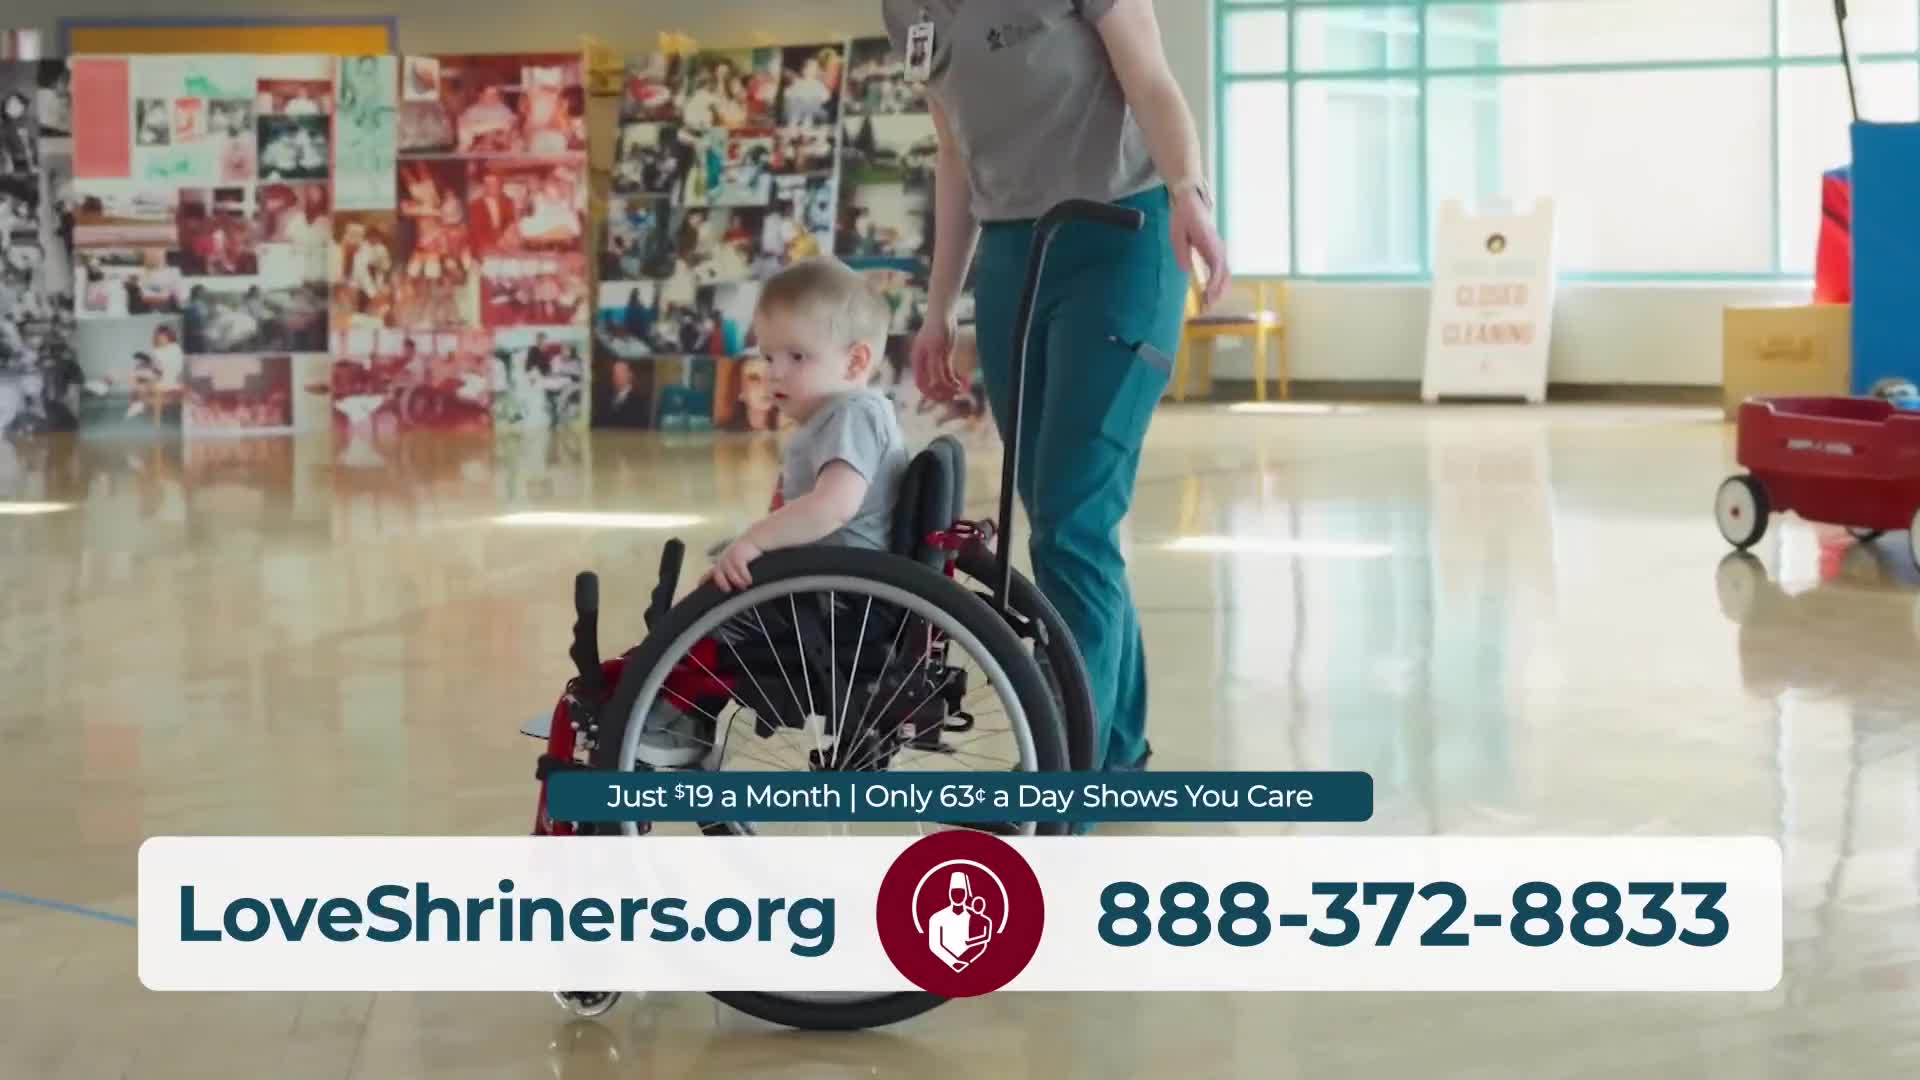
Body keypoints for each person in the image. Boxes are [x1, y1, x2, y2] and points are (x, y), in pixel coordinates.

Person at [883, 0, 1229, 776]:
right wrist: (937, 309)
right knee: (1060, 518)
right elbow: (952, 155)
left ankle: (1061, 775)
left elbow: (1150, 77)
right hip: (1014, 251)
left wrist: (1190, 193)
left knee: (1073, 521)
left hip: (1125, 237)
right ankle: (1116, 748)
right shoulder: (905, 9)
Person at [634, 257, 907, 766]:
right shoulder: (837, 418)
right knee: (711, 597)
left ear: (854, 362)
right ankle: (680, 713)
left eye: (797, 356)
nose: (774, 370)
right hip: (828, 589)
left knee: (706, 620)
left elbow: (834, 506)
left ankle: (679, 723)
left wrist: (757, 541)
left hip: (840, 604)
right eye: (769, 355)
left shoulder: (854, 414)